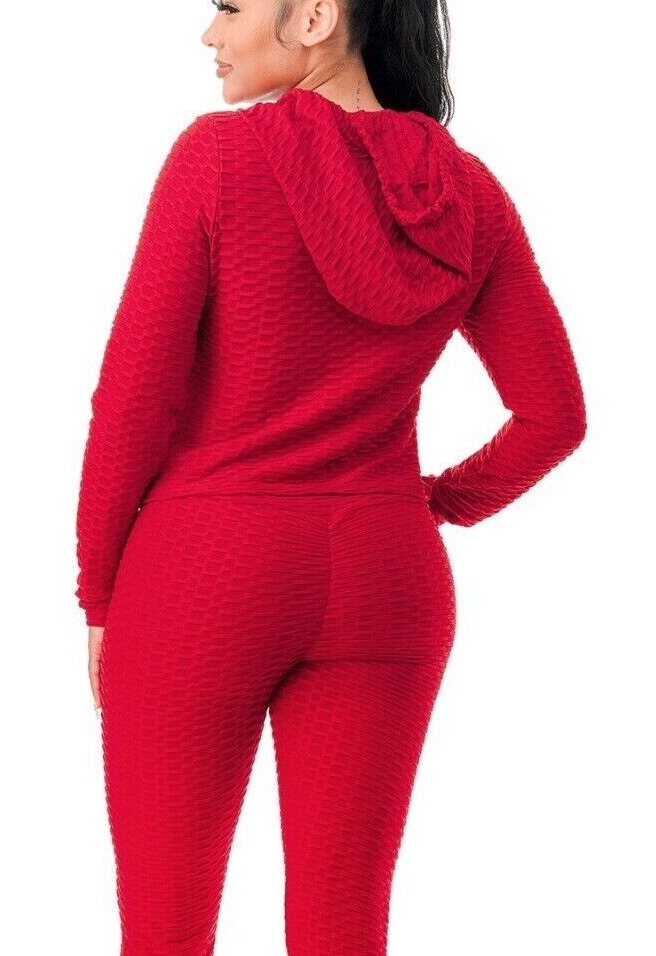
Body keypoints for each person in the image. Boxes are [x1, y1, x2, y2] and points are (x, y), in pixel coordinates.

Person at [74, 1, 587, 952]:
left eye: (229, 6)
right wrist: (425, 506)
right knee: (343, 925)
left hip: (203, 574)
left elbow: (132, 402)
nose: (209, 34)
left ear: (314, 15)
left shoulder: (218, 159)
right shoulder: (469, 195)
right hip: (384, 575)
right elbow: (553, 418)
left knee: (165, 927)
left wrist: (99, 594)